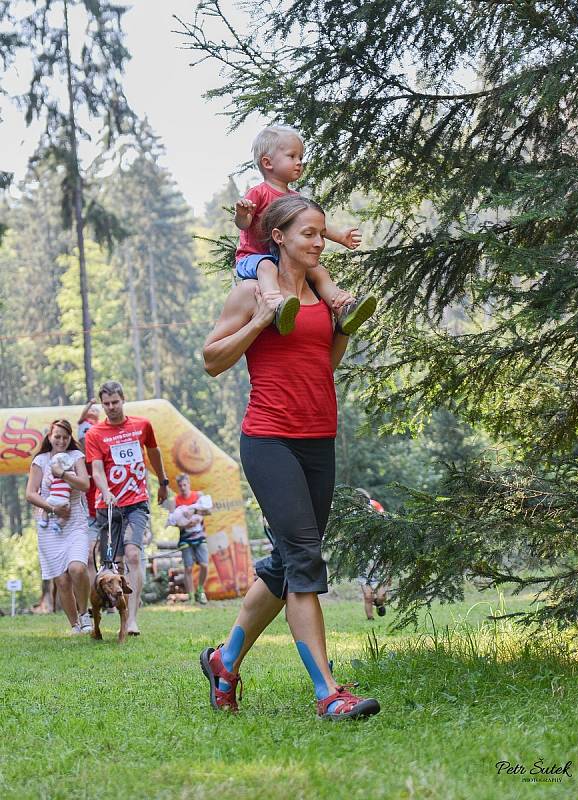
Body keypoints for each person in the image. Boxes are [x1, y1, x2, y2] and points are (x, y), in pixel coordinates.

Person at [201, 194, 380, 720]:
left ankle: (224, 661)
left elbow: (322, 364)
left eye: (322, 235)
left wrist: (342, 331)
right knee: (304, 558)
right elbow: (212, 360)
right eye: (308, 234)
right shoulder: (250, 290)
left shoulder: (322, 299)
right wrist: (258, 321)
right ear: (277, 237)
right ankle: (327, 693)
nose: (319, 243)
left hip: (318, 437)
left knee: (285, 563)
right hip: (269, 440)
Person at [235, 125, 377, 335]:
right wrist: (242, 214)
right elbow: (244, 225)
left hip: (285, 259)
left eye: (300, 156)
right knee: (267, 267)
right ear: (267, 163)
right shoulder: (259, 193)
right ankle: (275, 307)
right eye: (292, 156)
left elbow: (314, 227)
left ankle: (342, 307)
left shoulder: (296, 199)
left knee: (318, 270)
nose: (299, 162)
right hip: (254, 258)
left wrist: (340, 237)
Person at [86, 380, 169, 636]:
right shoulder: (95, 434)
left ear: (123, 400)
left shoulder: (142, 426)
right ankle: (117, 611)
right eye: (106, 403)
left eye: (115, 402)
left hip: (137, 502)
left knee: (134, 554)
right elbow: (97, 470)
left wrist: (163, 481)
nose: (111, 407)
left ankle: (133, 617)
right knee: (115, 564)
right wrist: (106, 490)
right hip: (108, 506)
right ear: (102, 404)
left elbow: (154, 454)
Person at [25, 419, 92, 634]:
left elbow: (85, 484)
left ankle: (85, 615)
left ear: (69, 438)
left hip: (75, 521)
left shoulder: (75, 457)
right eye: (57, 437)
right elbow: (31, 493)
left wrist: (63, 473)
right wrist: (53, 509)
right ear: (49, 437)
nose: (61, 441)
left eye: (65, 437)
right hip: (49, 523)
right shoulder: (40, 461)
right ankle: (74, 625)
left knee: (77, 568)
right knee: (62, 580)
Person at [166, 473, 212, 605]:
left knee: (204, 564)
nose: (183, 487)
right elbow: (172, 520)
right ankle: (191, 596)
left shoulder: (198, 496)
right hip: (185, 538)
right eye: (180, 486)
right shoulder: (175, 501)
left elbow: (209, 511)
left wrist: (195, 513)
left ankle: (200, 590)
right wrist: (184, 524)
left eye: (185, 485)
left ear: (189, 484)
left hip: (200, 536)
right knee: (188, 568)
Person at [77, 399, 102, 587]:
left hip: (106, 511)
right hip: (90, 515)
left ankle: (116, 596)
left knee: (112, 556)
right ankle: (96, 595)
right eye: (84, 439)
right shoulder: (78, 460)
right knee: (89, 556)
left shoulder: (100, 430)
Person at [355, 488, 389, 620]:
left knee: (381, 596)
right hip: (362, 560)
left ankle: (379, 604)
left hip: (377, 558)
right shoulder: (351, 512)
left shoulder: (375, 506)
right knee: (368, 596)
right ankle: (370, 620)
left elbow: (384, 522)